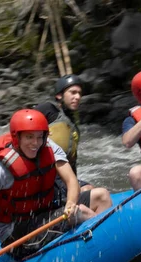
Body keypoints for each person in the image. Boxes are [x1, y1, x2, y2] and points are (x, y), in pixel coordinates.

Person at [0, 109, 112, 262]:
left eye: (39, 137)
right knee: (80, 212)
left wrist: (70, 202)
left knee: (102, 196)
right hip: (15, 233)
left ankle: (100, 249)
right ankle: (109, 246)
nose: (35, 143)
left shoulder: (49, 147)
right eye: (29, 137)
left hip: (41, 212)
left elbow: (71, 180)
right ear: (17, 137)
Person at [35, 74, 93, 208]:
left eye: (79, 93)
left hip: (62, 177)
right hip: (45, 177)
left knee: (89, 189)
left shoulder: (73, 126)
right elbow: (23, 125)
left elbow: (71, 163)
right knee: (87, 190)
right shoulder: (48, 109)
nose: (77, 97)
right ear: (60, 95)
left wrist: (73, 184)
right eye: (72, 92)